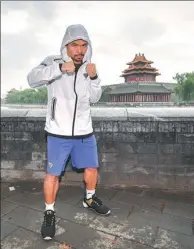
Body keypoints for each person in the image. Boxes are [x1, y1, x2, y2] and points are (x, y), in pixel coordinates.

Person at [27, 24, 111, 240]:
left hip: (84, 131)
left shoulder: (89, 68)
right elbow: (32, 79)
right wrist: (59, 69)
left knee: (92, 168)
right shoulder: (52, 62)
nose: (79, 50)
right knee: (53, 174)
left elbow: (95, 98)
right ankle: (49, 212)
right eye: (75, 45)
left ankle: (90, 199)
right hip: (58, 132)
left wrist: (94, 78)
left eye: (84, 45)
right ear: (66, 45)